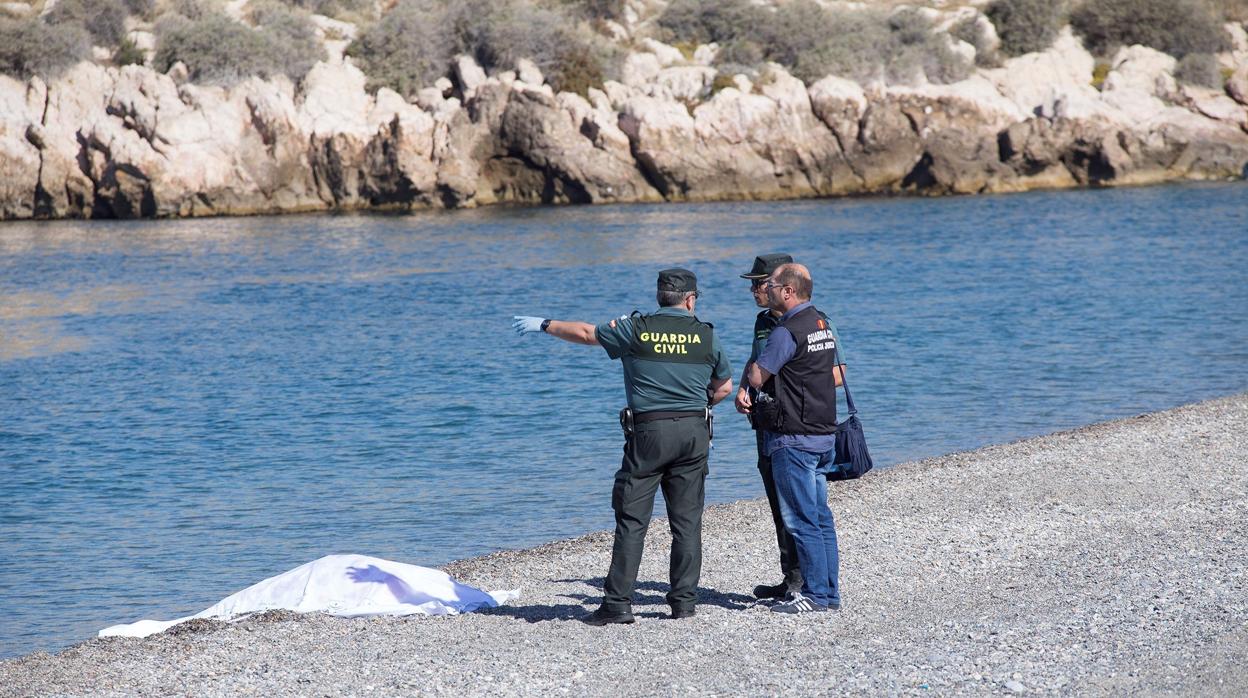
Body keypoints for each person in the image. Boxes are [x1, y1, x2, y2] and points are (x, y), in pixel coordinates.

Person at [512, 268, 733, 625]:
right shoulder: (706, 336)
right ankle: (683, 603)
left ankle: (617, 605)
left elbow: (586, 334)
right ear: (690, 300)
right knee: (687, 522)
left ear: (660, 296)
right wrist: (694, 403)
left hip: (649, 433)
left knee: (632, 520)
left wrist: (545, 324)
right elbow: (724, 386)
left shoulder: (637, 328)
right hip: (694, 431)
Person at [747, 263, 846, 614]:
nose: (766, 290)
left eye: (770, 285)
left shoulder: (786, 331)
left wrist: (752, 375)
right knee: (820, 518)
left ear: (788, 290)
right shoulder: (821, 324)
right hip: (823, 434)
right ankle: (829, 593)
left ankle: (817, 595)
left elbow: (759, 375)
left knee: (802, 521)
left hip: (794, 438)